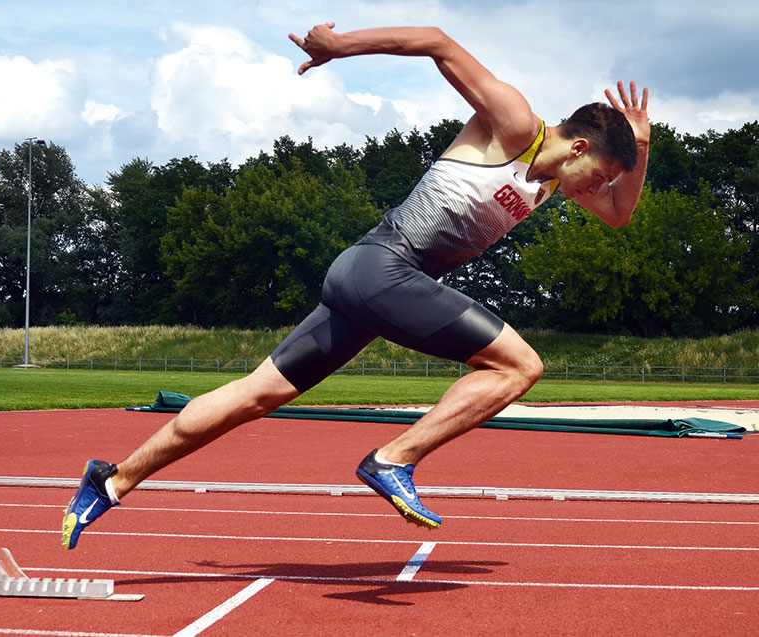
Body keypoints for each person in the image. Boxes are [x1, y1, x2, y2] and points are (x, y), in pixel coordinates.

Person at [62, 23, 650, 549]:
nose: (593, 191)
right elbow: (437, 42)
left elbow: (621, 215)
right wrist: (338, 48)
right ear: (578, 148)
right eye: (597, 176)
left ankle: (109, 481)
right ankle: (394, 459)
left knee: (258, 393)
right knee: (519, 367)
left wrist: (640, 148)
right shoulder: (516, 125)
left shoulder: (551, 184)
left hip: (369, 286)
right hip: (381, 267)